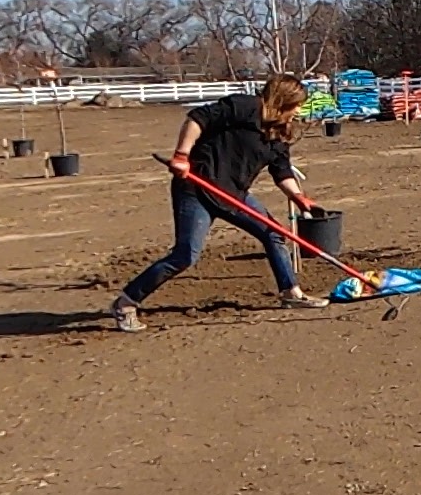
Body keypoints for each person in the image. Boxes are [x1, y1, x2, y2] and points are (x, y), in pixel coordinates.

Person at [111, 75, 329, 332]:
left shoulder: (280, 133)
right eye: (296, 106)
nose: (299, 112)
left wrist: (299, 197)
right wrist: (182, 155)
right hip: (197, 187)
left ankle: (291, 292)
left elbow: (281, 172)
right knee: (185, 255)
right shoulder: (245, 107)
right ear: (283, 100)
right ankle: (126, 302)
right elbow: (197, 119)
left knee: (273, 233)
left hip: (234, 195)